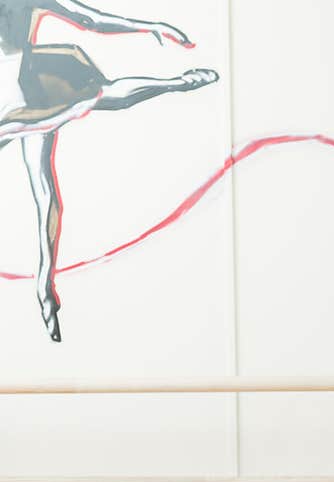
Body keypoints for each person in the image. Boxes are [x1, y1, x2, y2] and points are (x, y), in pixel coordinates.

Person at [0, 0, 218, 342]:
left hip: (22, 94)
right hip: (23, 93)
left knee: (46, 192)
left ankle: (45, 287)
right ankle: (179, 82)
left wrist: (152, 26)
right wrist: (153, 27)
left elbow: (92, 19)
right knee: (46, 192)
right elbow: (93, 19)